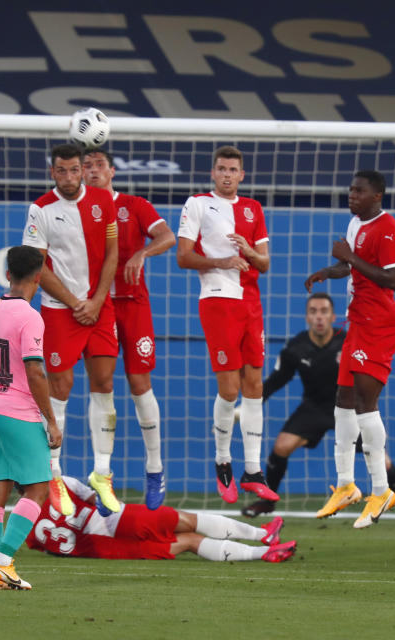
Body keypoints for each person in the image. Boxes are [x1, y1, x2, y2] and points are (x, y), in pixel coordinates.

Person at [242, 292, 395, 525]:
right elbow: (276, 381)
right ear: (307, 317)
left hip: (349, 409)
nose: (319, 317)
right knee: (281, 447)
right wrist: (251, 405)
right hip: (314, 407)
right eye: (313, 312)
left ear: (333, 316)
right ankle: (268, 503)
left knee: (383, 460)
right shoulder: (296, 347)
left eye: (323, 311)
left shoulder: (348, 342)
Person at [22, 143, 120, 517]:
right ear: (53, 172)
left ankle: (102, 472)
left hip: (100, 306)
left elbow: (113, 253)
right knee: (60, 388)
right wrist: (75, 302)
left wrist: (95, 301)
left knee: (105, 384)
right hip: (60, 311)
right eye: (60, 171)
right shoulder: (40, 209)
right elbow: (36, 265)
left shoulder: (102, 200)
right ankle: (54, 473)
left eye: (73, 170)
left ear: (83, 169)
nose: (67, 177)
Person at [176, 146, 278, 504]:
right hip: (218, 300)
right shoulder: (197, 204)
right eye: (221, 169)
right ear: (213, 172)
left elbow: (264, 264)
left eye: (233, 170)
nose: (227, 175)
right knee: (230, 388)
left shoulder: (254, 208)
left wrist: (248, 253)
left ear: (242, 175)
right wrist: (224, 260)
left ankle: (253, 471)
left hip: (251, 305)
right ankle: (223, 460)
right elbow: (183, 256)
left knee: (255, 385)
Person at [304, 170, 395, 528]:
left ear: (377, 196)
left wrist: (350, 258)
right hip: (358, 321)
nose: (352, 195)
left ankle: (381, 490)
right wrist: (328, 271)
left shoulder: (387, 227)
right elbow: (349, 267)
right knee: (343, 402)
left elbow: (394, 280)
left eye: (359, 191)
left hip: (379, 323)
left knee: (365, 403)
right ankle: (346, 485)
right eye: (350, 190)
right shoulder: (354, 224)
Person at [83, 149, 176, 509]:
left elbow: (167, 237)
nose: (92, 171)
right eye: (86, 166)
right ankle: (102, 474)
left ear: (112, 171)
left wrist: (142, 254)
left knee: (139, 385)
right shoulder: (80, 209)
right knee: (100, 384)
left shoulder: (134, 205)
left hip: (133, 305)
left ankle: (155, 469)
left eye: (99, 166)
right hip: (99, 305)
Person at [0, 245, 62, 590]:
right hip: (17, 412)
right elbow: (35, 370)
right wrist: (51, 420)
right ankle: (4, 562)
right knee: (38, 489)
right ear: (39, 278)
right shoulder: (30, 316)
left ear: (7, 274)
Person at [25, 476, 295, 563]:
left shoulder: (27, 527)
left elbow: (54, 550)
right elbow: (100, 500)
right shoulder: (60, 482)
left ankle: (264, 553)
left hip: (113, 551)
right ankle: (263, 537)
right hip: (119, 521)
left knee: (188, 541)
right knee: (187, 520)